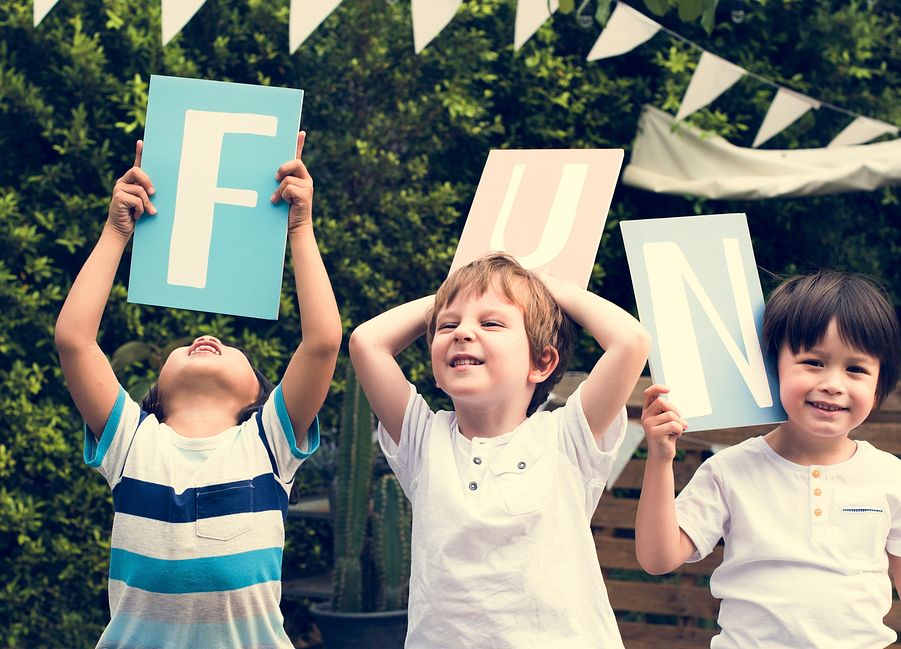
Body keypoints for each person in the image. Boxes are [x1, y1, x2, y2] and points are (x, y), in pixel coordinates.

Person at [54, 134, 341, 649]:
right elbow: (74, 341)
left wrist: (301, 229)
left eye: (229, 347)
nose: (206, 337)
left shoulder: (268, 441)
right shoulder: (132, 441)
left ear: (259, 397)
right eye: (190, 342)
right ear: (155, 397)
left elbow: (322, 342)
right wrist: (116, 232)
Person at [634, 270, 901, 648]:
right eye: (814, 362)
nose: (833, 383)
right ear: (773, 367)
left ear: (879, 383)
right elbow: (658, 558)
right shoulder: (730, 470)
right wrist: (659, 458)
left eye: (855, 369)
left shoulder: (890, 477)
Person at [349, 252, 650, 648]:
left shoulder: (566, 437)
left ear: (541, 362)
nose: (462, 332)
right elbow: (366, 342)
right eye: (448, 325)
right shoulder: (424, 440)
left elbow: (630, 341)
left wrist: (550, 286)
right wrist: (449, 296)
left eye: (491, 323)